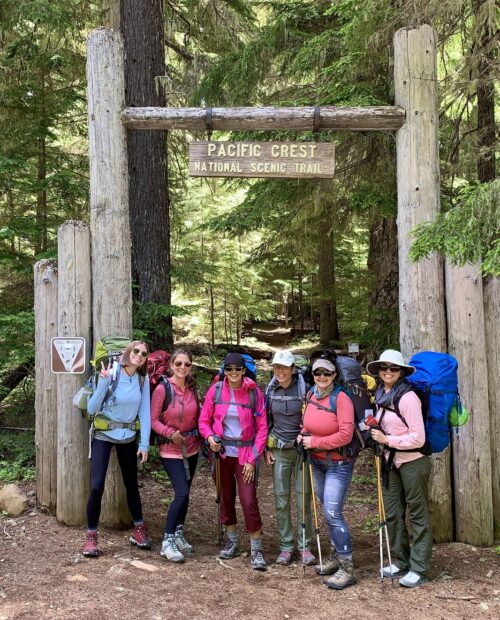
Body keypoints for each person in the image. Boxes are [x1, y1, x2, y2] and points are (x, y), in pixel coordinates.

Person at [367, 349, 432, 588]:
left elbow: (419, 438)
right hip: (390, 462)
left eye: (393, 368)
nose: (387, 372)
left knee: (417, 513)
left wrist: (388, 441)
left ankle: (419, 567)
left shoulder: (408, 397)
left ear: (401, 371)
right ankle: (400, 560)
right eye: (384, 368)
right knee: (393, 512)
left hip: (413, 461)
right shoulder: (381, 393)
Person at [199, 352, 268, 570]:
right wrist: (210, 438)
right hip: (221, 454)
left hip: (246, 454)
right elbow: (204, 421)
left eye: (237, 369)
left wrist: (252, 458)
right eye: (229, 369)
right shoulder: (216, 390)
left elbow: (262, 428)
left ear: (244, 370)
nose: (233, 373)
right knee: (225, 496)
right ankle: (232, 541)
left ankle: (256, 548)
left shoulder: (253, 393)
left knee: (248, 500)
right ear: (224, 370)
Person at [82, 341, 151, 557]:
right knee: (96, 487)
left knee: (131, 485)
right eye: (136, 351)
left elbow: (145, 413)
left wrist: (144, 443)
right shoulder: (110, 372)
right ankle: (91, 536)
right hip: (103, 435)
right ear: (128, 352)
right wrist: (102, 383)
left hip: (128, 437)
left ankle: (139, 529)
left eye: (143, 353)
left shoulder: (142, 379)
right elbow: (92, 409)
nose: (139, 355)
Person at [297, 351, 356, 590]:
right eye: (317, 372)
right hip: (317, 462)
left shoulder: (341, 398)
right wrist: (303, 435)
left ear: (334, 374)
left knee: (332, 512)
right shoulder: (312, 394)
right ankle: (335, 556)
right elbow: (307, 424)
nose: (321, 376)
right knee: (327, 509)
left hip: (338, 464)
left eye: (326, 372)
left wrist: (315, 443)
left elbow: (346, 435)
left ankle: (347, 567)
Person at [265, 349, 315, 566]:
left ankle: (305, 547)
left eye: (284, 367)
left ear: (293, 369)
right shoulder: (270, 390)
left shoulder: (305, 389)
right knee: (281, 498)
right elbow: (264, 420)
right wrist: (266, 448)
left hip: (302, 451)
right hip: (279, 450)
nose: (280, 371)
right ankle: (286, 546)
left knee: (303, 498)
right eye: (277, 367)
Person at [151, 348, 200, 563]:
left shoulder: (192, 389)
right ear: (171, 365)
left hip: (192, 447)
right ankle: (167, 540)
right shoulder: (163, 389)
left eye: (186, 364)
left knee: (186, 493)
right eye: (178, 364)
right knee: (181, 492)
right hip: (170, 448)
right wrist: (169, 433)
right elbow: (152, 420)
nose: (182, 368)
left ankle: (179, 531)